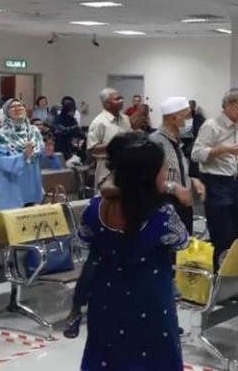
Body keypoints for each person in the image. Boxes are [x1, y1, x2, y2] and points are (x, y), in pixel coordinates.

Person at [78, 133, 189, 371]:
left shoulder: (95, 209)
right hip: (150, 301)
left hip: (105, 299)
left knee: (107, 355)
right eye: (162, 170)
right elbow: (182, 242)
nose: (165, 175)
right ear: (149, 176)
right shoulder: (162, 215)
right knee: (154, 358)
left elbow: (82, 242)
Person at [192, 88, 238, 271]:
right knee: (222, 235)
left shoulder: (237, 126)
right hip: (216, 183)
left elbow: (233, 154)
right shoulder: (212, 126)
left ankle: (233, 281)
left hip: (234, 182)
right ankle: (219, 280)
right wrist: (225, 149)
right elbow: (196, 154)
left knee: (236, 233)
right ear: (227, 105)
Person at [149, 97, 205, 234]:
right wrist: (174, 188)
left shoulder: (176, 141)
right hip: (166, 203)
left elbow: (175, 169)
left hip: (184, 203)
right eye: (187, 117)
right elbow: (150, 178)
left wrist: (192, 180)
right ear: (174, 118)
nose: (189, 122)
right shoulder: (155, 142)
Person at [0, 99, 45, 210]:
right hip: (12, 183)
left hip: (32, 181)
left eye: (20, 105)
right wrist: (22, 157)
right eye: (13, 107)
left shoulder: (33, 131)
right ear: (6, 112)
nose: (17, 108)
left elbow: (40, 150)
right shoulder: (2, 134)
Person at [87, 88, 132, 190]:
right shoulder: (99, 122)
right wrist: (114, 144)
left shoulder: (125, 119)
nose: (121, 101)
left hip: (125, 165)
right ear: (107, 104)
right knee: (106, 199)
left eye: (121, 98)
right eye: (117, 99)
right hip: (106, 167)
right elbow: (91, 148)